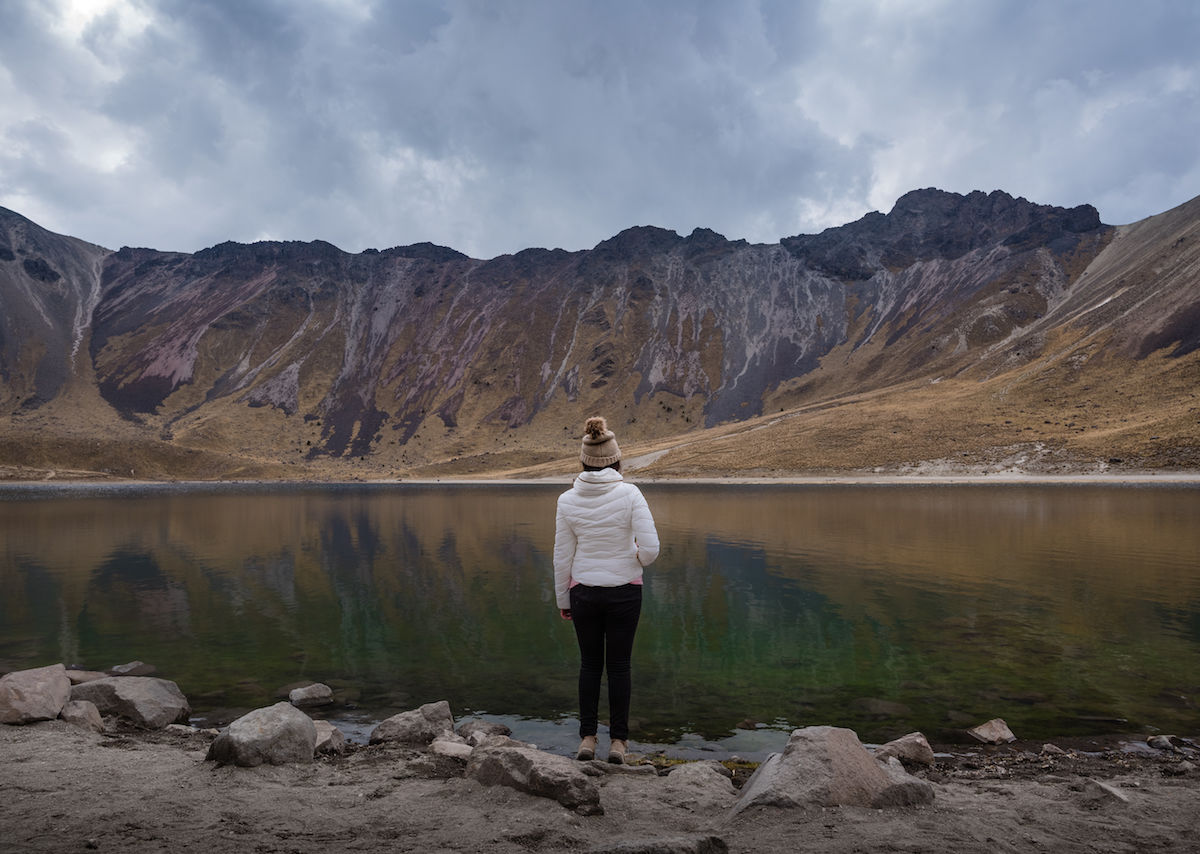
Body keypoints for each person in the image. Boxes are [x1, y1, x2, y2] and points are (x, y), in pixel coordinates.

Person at [553, 416, 659, 764]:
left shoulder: (567, 499)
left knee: (589, 666)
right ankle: (618, 743)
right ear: (616, 460)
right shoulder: (630, 494)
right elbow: (652, 549)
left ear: (583, 461)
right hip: (624, 592)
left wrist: (563, 598)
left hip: (583, 591)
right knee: (619, 666)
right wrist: (635, 559)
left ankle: (587, 740)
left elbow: (562, 557)